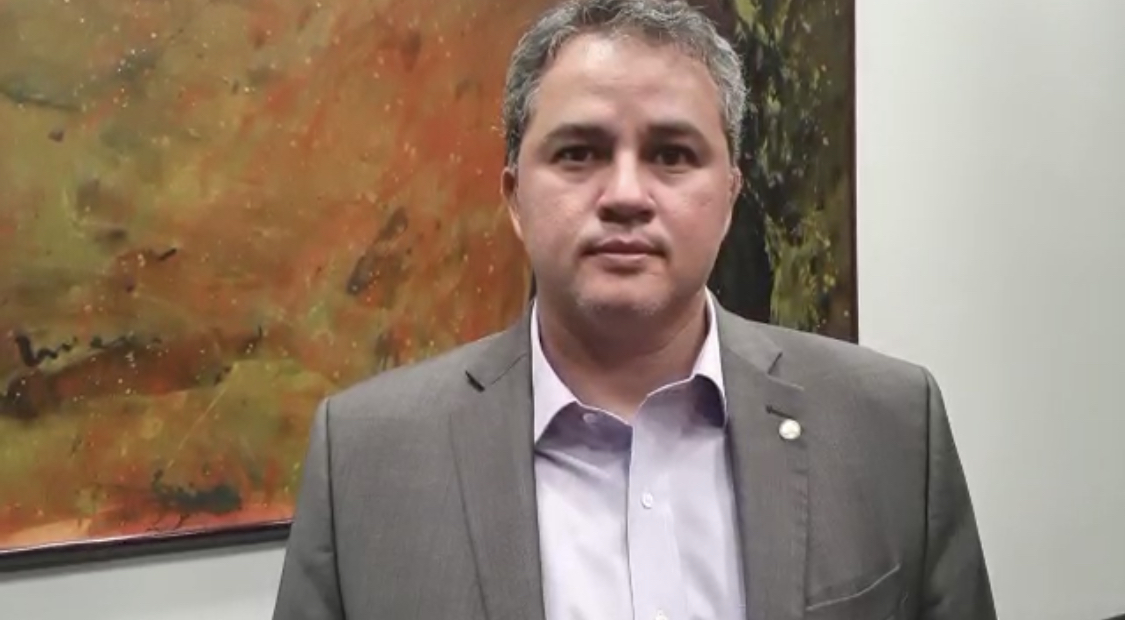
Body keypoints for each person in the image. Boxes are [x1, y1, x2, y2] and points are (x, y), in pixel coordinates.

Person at [271, 0, 997, 618]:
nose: (625, 195)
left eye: (672, 155)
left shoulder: (890, 428)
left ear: (730, 195)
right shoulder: (366, 460)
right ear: (515, 197)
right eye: (578, 153)